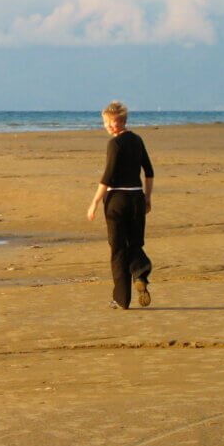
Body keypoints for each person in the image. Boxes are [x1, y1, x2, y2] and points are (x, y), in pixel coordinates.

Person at [87, 101, 154, 309]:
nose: (107, 126)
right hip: (136, 198)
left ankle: (121, 299)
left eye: (111, 122)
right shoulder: (137, 140)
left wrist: (94, 202)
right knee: (134, 243)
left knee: (117, 249)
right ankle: (141, 274)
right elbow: (149, 172)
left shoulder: (114, 144)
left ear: (122, 121)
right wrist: (147, 197)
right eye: (105, 122)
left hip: (116, 201)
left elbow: (107, 176)